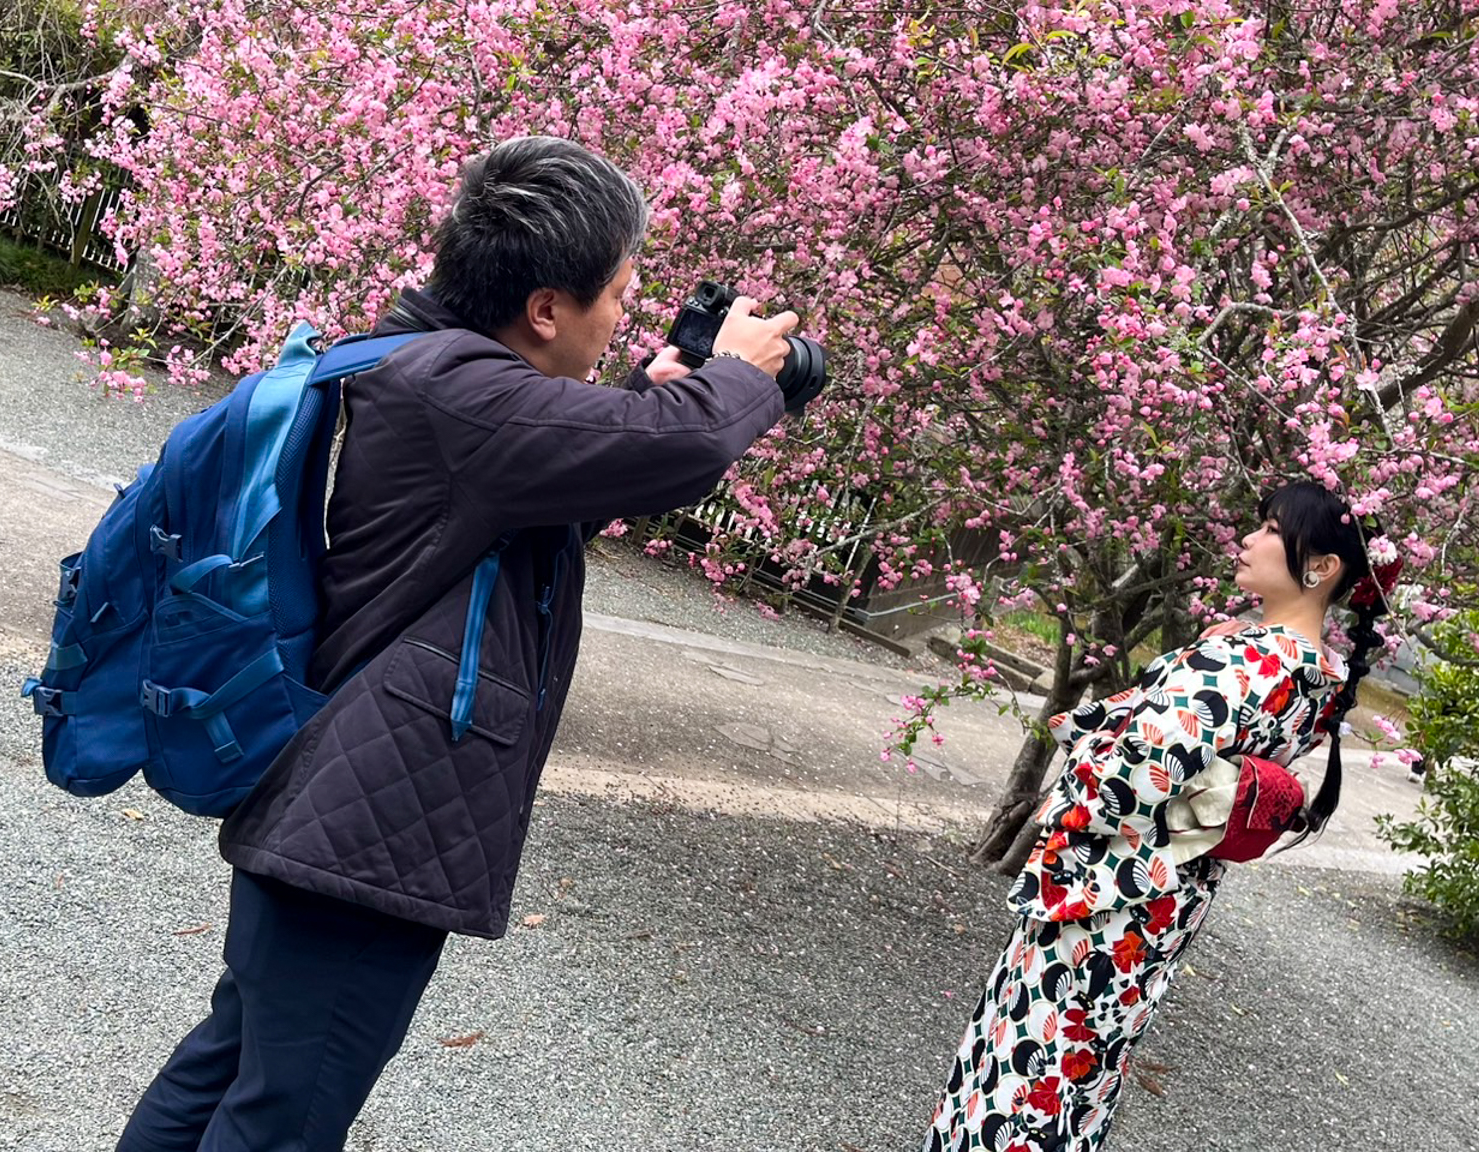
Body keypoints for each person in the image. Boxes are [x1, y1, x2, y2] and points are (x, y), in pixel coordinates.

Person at [116, 136, 806, 1152]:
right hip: (371, 824)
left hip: (335, 808)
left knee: (235, 1066)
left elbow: (551, 485)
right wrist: (737, 376)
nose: (623, 317)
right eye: (618, 296)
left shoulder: (439, 370)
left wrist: (654, 390)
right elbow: (685, 442)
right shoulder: (463, 394)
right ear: (545, 308)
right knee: (283, 1116)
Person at [924, 480, 1398, 1151]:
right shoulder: (1316, 674)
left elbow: (1124, 780)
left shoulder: (1243, 662)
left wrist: (1087, 747)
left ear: (1320, 567)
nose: (1250, 539)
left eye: (1271, 529)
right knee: (1081, 1070)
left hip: (1110, 890)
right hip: (1172, 897)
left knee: (1029, 1064)